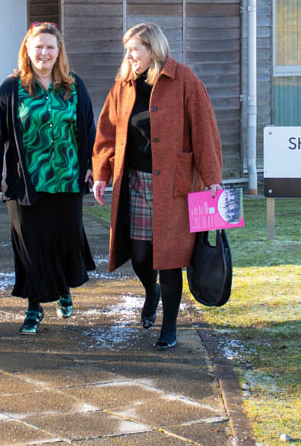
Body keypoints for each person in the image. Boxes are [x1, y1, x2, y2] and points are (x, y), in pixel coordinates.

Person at [92, 23, 223, 349]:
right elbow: (107, 130)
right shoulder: (123, 83)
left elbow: (205, 132)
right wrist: (101, 174)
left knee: (170, 258)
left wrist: (213, 181)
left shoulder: (184, 81)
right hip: (135, 182)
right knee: (139, 255)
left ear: (153, 49)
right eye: (128, 50)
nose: (130, 55)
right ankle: (150, 292)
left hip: (174, 188)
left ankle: (170, 324)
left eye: (134, 49)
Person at [0, 22, 96, 334]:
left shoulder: (74, 86)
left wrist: (91, 166)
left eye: (50, 47)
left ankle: (63, 290)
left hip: (67, 179)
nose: (44, 53)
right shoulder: (12, 87)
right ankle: (34, 308)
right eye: (39, 47)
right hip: (25, 183)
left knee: (65, 238)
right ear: (27, 51)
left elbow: (87, 129)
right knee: (30, 246)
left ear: (58, 51)